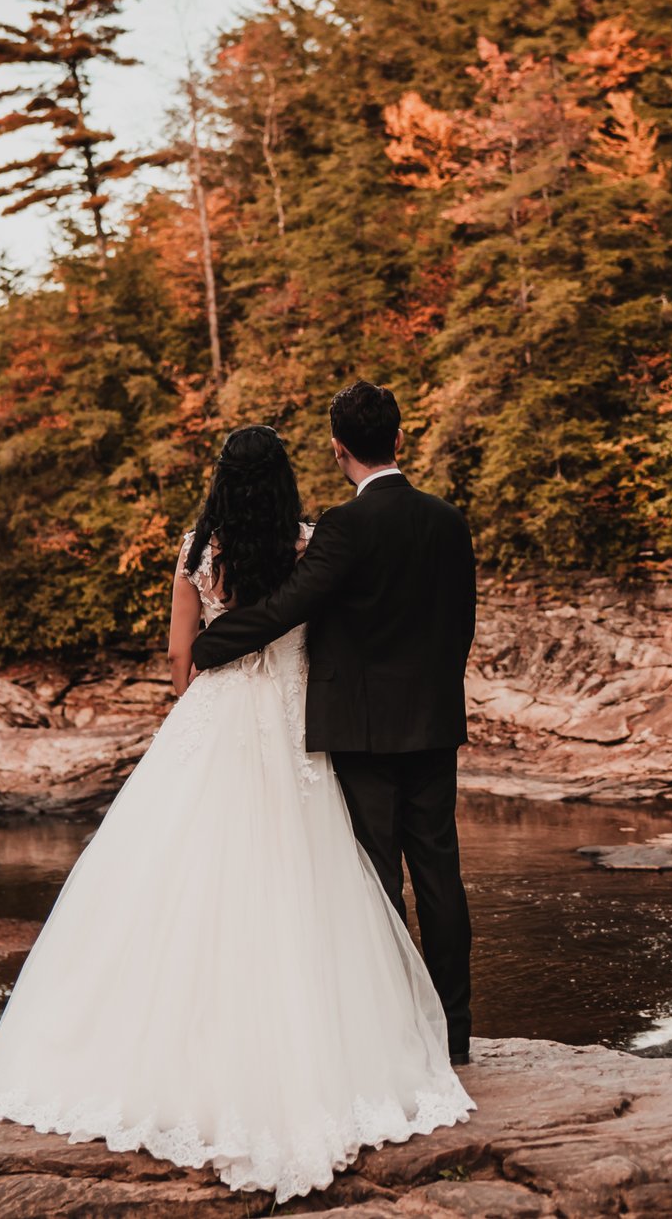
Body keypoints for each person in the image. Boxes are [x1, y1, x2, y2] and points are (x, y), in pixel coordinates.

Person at [0, 416, 470, 1201]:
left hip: (219, 711)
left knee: (181, 874)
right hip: (301, 722)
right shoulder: (310, 540)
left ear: (221, 479)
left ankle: (169, 1053)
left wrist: (195, 701)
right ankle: (402, 1038)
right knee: (319, 875)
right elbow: (326, 622)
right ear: (291, 476)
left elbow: (178, 650)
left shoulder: (197, 549)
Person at [190, 380, 477, 1068]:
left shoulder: (344, 527)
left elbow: (290, 604)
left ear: (337, 447)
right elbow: (460, 622)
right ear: (400, 439)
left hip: (363, 730)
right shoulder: (447, 519)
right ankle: (455, 1033)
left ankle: (399, 1031)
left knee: (378, 881)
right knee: (440, 875)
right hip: (434, 723)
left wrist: (213, 644)